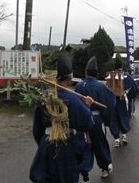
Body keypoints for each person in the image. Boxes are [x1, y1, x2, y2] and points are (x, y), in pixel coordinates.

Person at [29, 51, 94, 183]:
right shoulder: (73, 98)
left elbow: (37, 130)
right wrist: (87, 106)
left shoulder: (44, 98)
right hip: (66, 145)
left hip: (47, 143)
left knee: (47, 178)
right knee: (66, 177)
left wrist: (43, 143)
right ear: (69, 79)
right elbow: (86, 123)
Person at [75, 56, 116, 179]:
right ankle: (105, 167)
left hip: (82, 120)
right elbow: (109, 104)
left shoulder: (79, 86)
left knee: (84, 145)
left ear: (86, 72)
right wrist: (107, 121)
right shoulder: (101, 86)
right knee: (100, 144)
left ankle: (84, 173)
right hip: (95, 120)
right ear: (96, 73)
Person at [109, 53, 139, 148]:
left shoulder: (111, 76)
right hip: (124, 102)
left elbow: (107, 91)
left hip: (114, 102)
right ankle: (124, 136)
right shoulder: (127, 76)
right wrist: (130, 97)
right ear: (122, 65)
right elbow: (135, 89)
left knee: (114, 120)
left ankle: (116, 140)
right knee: (124, 117)